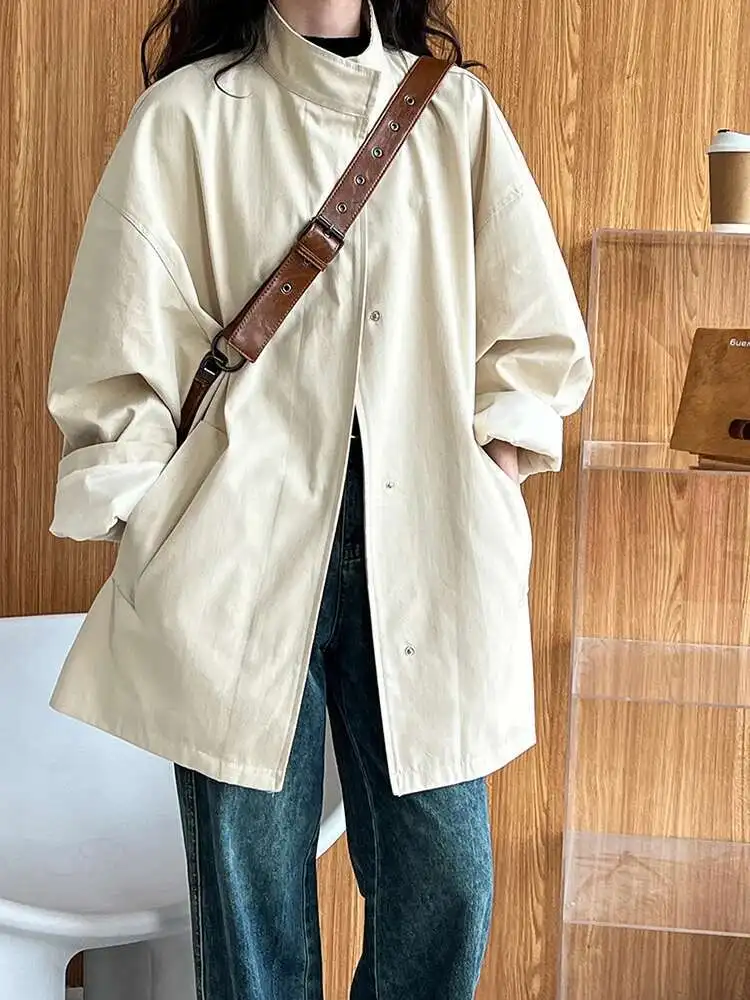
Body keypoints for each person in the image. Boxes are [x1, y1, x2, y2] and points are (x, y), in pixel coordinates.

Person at [46, 0, 593, 997]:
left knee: (449, 885)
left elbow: (532, 333)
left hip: (425, 544)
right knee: (251, 917)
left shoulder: (453, 114)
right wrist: (154, 520)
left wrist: (494, 473)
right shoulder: (186, 117)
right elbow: (116, 345)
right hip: (233, 551)